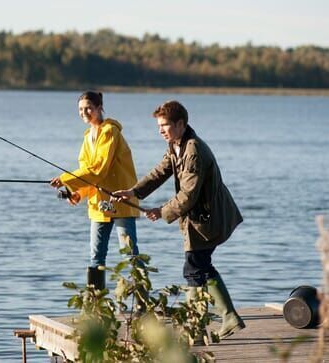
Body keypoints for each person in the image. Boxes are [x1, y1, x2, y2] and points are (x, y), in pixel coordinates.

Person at [113, 100, 245, 339]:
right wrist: (133, 192)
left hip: (208, 220)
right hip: (198, 220)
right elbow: (160, 172)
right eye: (159, 126)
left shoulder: (193, 150)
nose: (160, 130)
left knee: (195, 268)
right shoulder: (176, 145)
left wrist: (161, 211)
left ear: (181, 124)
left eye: (165, 125)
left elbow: (188, 195)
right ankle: (202, 325)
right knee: (197, 269)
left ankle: (216, 320)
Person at [50, 91, 141, 291]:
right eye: (81, 109)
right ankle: (95, 304)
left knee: (129, 255)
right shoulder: (86, 137)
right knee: (96, 256)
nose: (84, 112)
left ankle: (143, 304)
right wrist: (78, 193)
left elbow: (98, 169)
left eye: (88, 108)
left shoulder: (110, 132)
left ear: (100, 108)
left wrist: (65, 178)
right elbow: (87, 173)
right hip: (99, 204)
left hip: (120, 201)